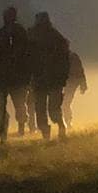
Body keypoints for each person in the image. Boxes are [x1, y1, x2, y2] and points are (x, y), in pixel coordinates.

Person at [27, 11, 70, 140]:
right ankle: (46, 133)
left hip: (54, 79)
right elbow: (27, 57)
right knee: (40, 109)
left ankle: (61, 125)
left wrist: (62, 77)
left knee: (53, 109)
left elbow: (64, 59)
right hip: (39, 78)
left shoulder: (56, 38)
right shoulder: (31, 37)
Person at [0, 6, 31, 139]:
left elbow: (25, 52)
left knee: (19, 104)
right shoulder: (2, 32)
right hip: (5, 75)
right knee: (1, 105)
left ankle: (21, 128)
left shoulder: (19, 31)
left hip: (18, 76)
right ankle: (4, 128)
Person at [62, 42, 87, 128]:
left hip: (70, 83)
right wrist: (83, 84)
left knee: (65, 103)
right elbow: (80, 70)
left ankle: (67, 122)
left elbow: (80, 70)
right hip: (67, 83)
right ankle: (67, 122)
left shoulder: (70, 57)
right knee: (65, 103)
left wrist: (83, 84)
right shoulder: (72, 56)